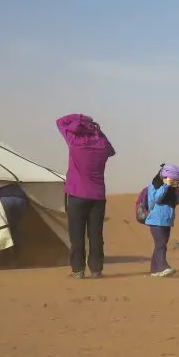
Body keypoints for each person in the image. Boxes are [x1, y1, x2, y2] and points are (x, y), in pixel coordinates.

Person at [56, 114, 115, 280]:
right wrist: (96, 130)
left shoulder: (74, 141)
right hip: (97, 196)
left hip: (77, 194)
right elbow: (111, 151)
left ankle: (78, 270)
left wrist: (81, 118)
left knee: (76, 234)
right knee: (96, 235)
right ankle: (96, 270)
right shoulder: (102, 144)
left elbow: (60, 122)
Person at [144, 164, 179, 277]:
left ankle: (155, 270)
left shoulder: (172, 188)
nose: (173, 180)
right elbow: (157, 198)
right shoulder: (153, 186)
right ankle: (163, 267)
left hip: (167, 221)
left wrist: (177, 189)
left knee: (160, 245)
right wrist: (166, 186)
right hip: (155, 220)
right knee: (161, 244)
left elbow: (177, 201)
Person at [0, 184, 29, 257]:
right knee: (15, 227)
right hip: (20, 198)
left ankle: (5, 251)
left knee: (4, 227)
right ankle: (16, 253)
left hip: (4, 198)